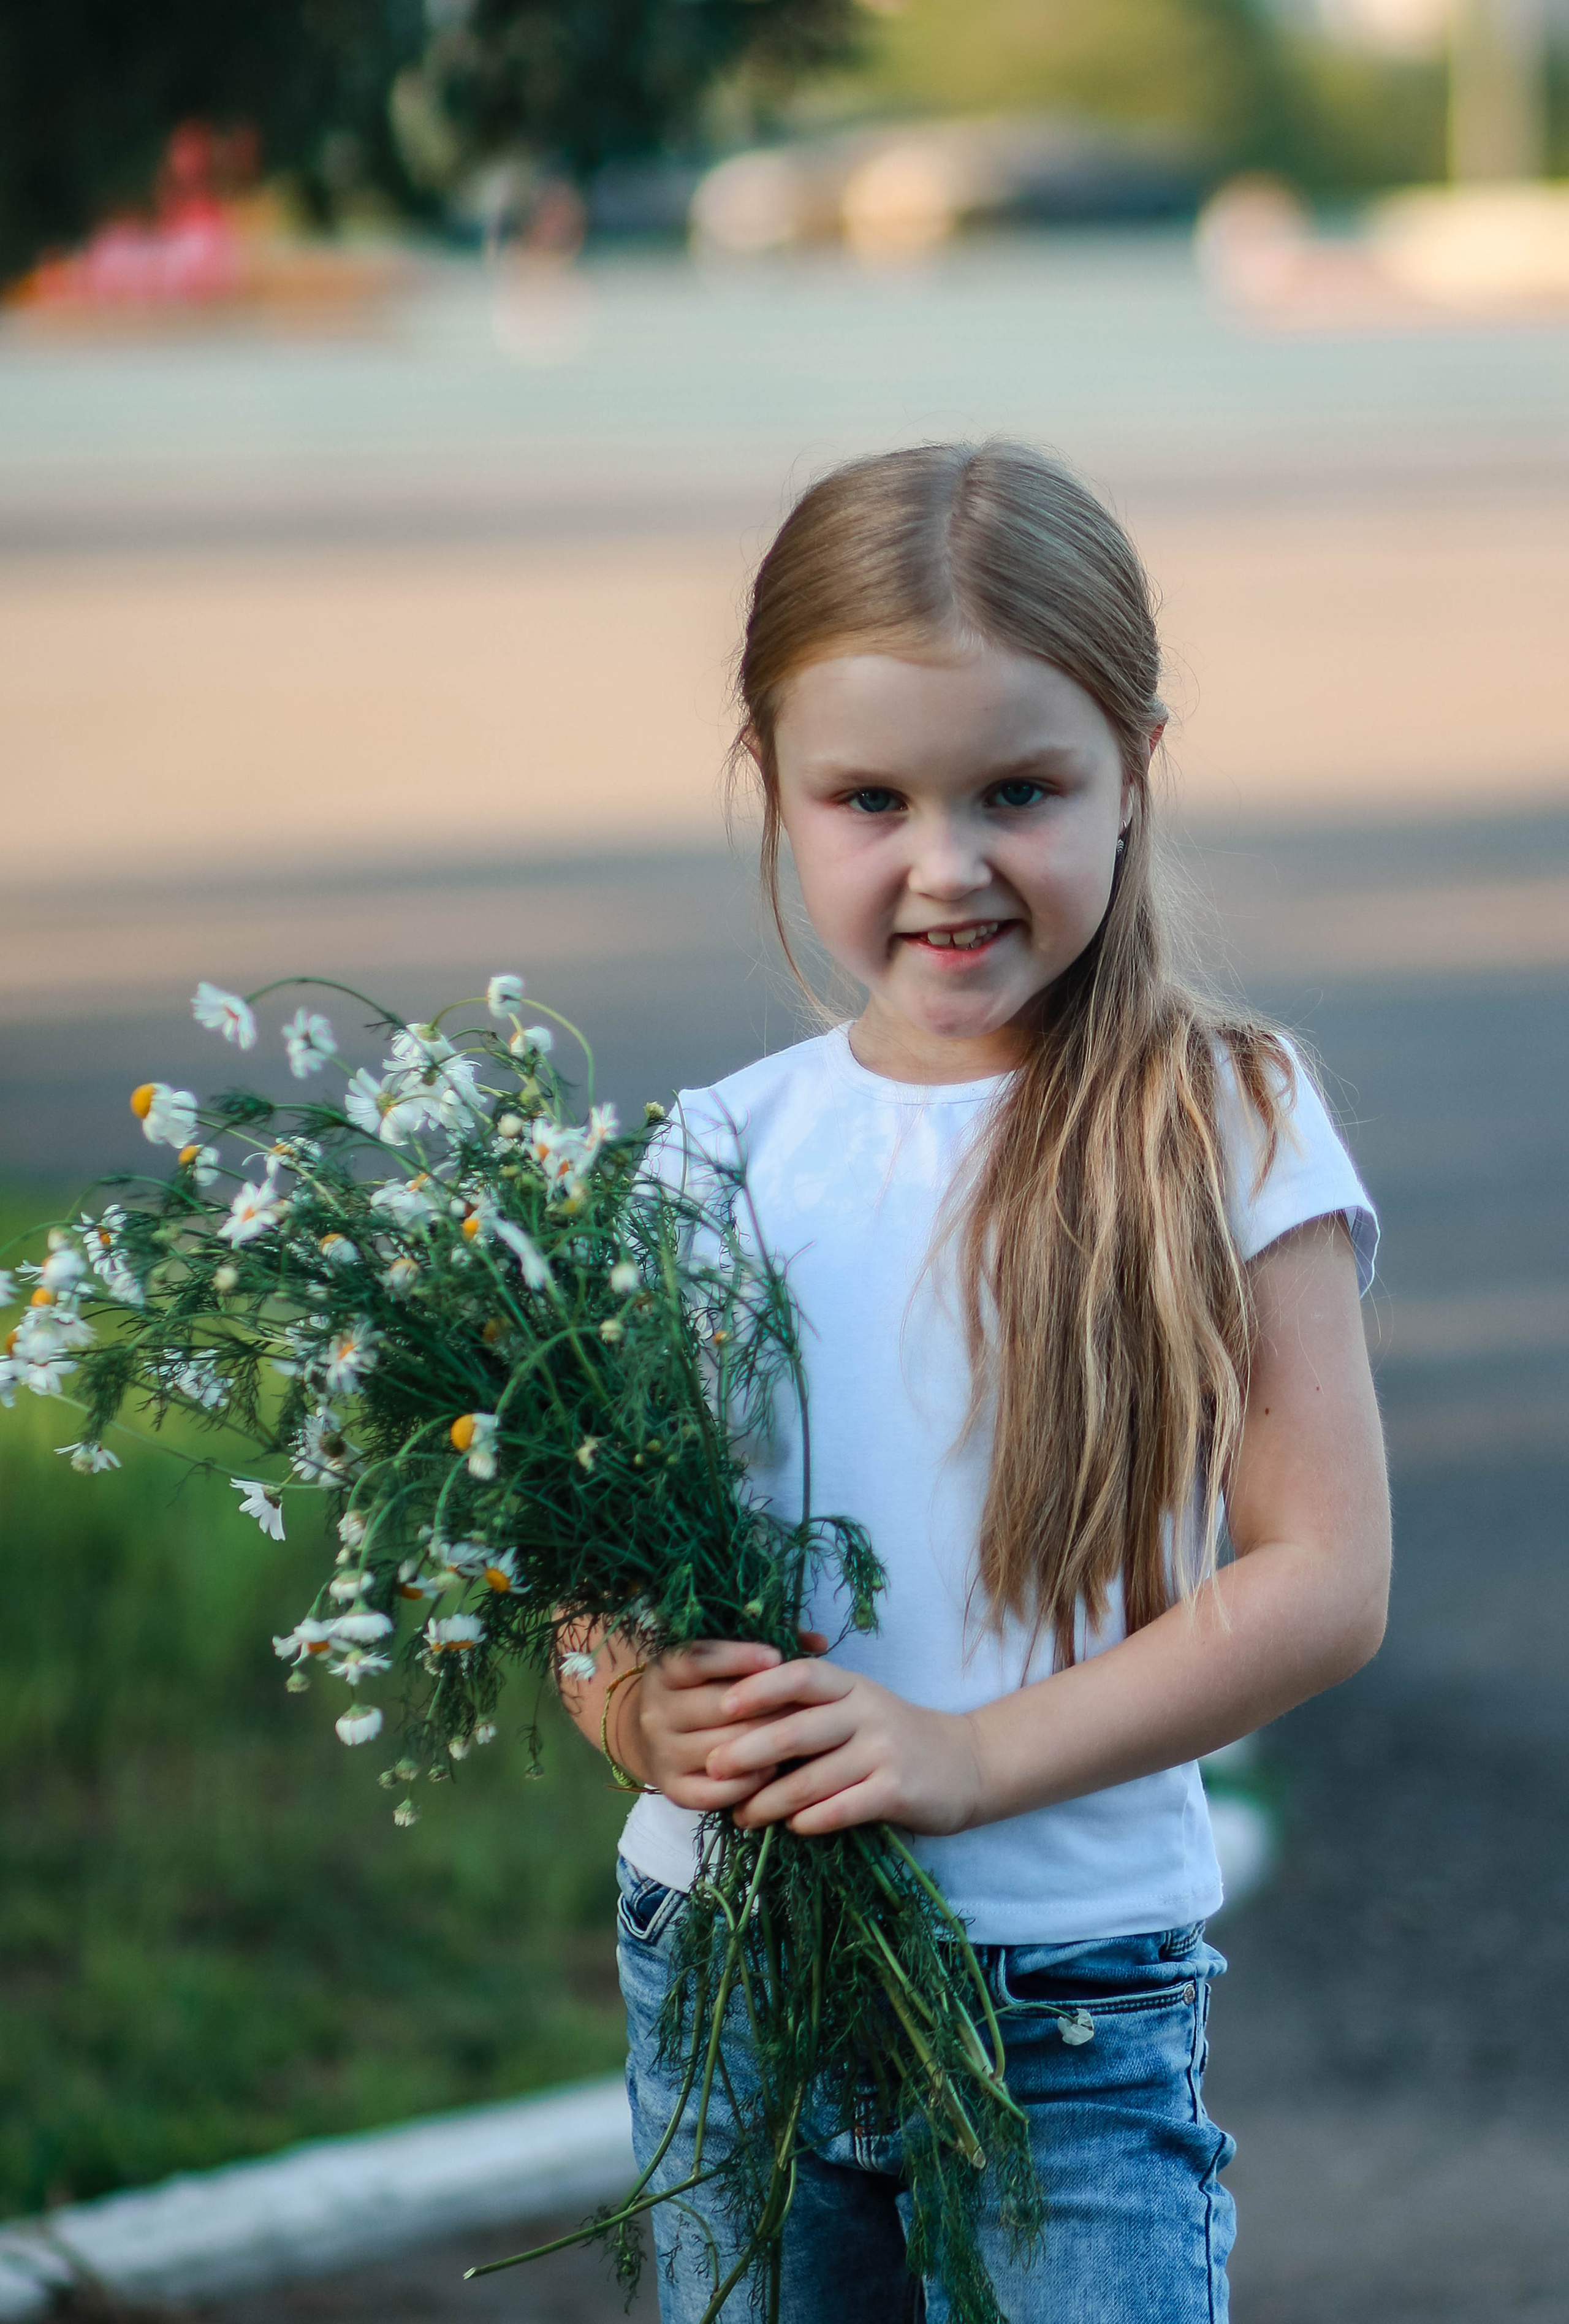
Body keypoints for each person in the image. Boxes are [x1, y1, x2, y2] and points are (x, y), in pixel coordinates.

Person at [558, 442, 1390, 2322]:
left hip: (1067, 2001)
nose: (950, 865)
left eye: (1023, 790)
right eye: (870, 798)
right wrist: (632, 1707)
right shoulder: (715, 1155)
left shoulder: (1226, 1120)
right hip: (732, 1967)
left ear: (1136, 771)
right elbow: (589, 1578)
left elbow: (1326, 1578)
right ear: (772, 787)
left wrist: (970, 1761)